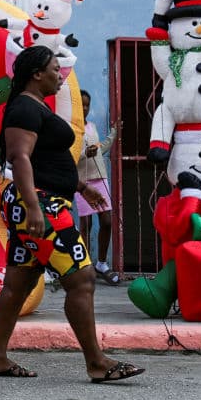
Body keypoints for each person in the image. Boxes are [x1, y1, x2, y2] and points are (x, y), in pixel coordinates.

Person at [0, 46, 144, 383]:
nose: (61, 76)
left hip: (43, 199)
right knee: (82, 280)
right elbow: (20, 158)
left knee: (19, 281)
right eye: (55, 70)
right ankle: (97, 363)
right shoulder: (25, 107)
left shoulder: (35, 106)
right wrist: (32, 206)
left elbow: (44, 158)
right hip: (41, 204)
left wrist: (78, 186)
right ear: (36, 74)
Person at [76, 89, 121, 285]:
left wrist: (114, 133)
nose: (85, 108)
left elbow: (100, 148)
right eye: (81, 104)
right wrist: (86, 152)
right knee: (86, 225)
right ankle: (85, 266)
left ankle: (101, 263)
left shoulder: (91, 126)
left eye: (87, 105)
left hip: (99, 178)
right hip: (83, 183)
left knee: (107, 221)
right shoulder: (71, 129)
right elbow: (71, 157)